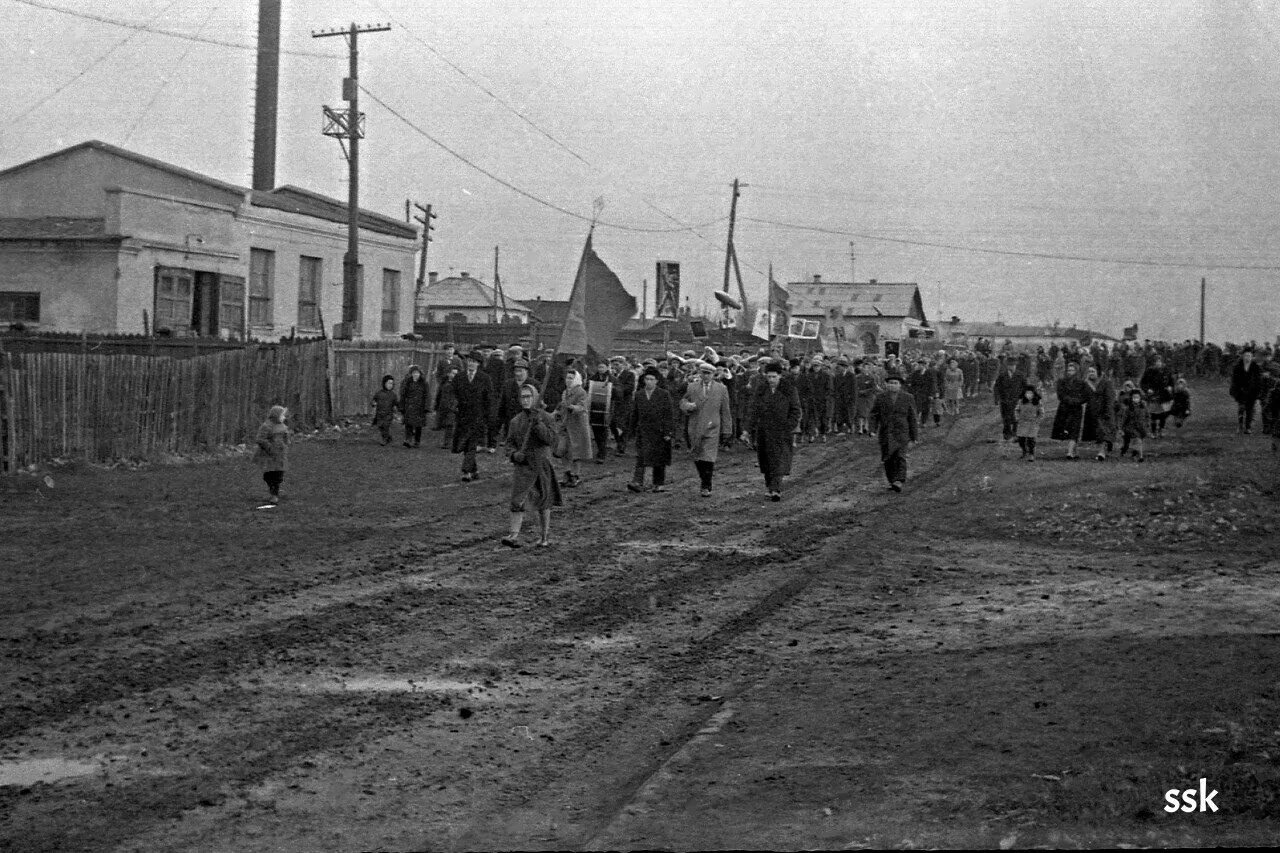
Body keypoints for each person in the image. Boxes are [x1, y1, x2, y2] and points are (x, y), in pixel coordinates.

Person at [501, 384, 562, 548]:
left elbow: (551, 440)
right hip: (523, 466)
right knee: (517, 500)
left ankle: (544, 536)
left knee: (544, 503)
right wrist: (514, 455)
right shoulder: (515, 421)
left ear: (535, 398)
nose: (526, 400)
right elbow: (509, 444)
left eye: (529, 396)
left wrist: (538, 424)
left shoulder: (546, 418)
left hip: (541, 466)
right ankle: (513, 535)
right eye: (523, 397)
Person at [744, 360, 802, 501]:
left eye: (774, 377)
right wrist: (747, 429)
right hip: (764, 429)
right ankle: (770, 486)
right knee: (765, 460)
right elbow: (753, 409)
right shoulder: (761, 389)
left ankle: (776, 489)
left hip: (782, 430)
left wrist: (788, 426)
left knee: (778, 459)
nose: (771, 380)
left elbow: (795, 410)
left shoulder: (789, 389)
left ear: (780, 376)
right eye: (768, 377)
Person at [680, 359, 734, 496]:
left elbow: (725, 410)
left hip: (712, 426)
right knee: (697, 455)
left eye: (709, 373)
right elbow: (683, 401)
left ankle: (706, 484)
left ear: (713, 374)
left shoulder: (721, 389)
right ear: (700, 373)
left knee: (709, 456)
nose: (706, 376)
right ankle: (704, 478)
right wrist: (687, 406)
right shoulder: (692, 387)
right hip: (695, 425)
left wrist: (727, 430)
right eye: (703, 373)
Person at [626, 365, 674, 493]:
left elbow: (669, 414)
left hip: (659, 431)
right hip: (643, 430)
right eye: (647, 379)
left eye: (652, 379)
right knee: (641, 456)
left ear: (657, 381)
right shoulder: (639, 395)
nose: (649, 381)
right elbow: (634, 414)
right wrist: (630, 431)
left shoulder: (664, 394)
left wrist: (668, 431)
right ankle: (637, 481)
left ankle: (658, 483)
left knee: (659, 457)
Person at [869, 371, 919, 492]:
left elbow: (912, 418)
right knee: (887, 458)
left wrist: (914, 436)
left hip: (902, 432)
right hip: (886, 432)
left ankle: (899, 480)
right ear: (886, 384)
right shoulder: (880, 398)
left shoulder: (908, 397)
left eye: (895, 383)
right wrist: (872, 430)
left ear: (900, 385)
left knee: (900, 456)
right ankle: (892, 481)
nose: (892, 385)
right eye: (890, 383)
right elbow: (874, 415)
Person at [452, 349, 494, 482]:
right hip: (462, 417)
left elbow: (489, 399)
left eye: (474, 362)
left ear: (478, 364)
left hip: (478, 417)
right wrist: (454, 407)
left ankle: (466, 471)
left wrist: (488, 417)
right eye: (469, 361)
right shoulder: (459, 377)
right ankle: (474, 470)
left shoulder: (484, 378)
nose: (471, 364)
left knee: (471, 444)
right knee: (465, 444)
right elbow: (453, 394)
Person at [554, 367, 593, 488]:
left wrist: (571, 406)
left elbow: (582, 407)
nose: (568, 380)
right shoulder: (565, 392)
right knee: (563, 450)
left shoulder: (581, 392)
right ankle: (566, 474)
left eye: (571, 378)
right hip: (565, 425)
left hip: (577, 426)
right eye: (567, 378)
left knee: (576, 452)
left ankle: (575, 475)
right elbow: (561, 407)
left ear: (576, 379)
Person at [1050, 362, 1090, 459]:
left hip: (1076, 409)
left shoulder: (1082, 383)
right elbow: (1060, 395)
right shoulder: (1062, 382)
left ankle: (1070, 452)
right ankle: (1073, 451)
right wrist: (1069, 400)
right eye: (1068, 370)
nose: (1070, 372)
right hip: (1064, 409)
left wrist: (1077, 401)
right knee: (1066, 429)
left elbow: (1086, 396)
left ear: (1076, 371)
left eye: (1072, 370)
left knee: (1075, 430)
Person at [253, 404, 290, 505]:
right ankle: (273, 489)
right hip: (268, 456)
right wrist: (269, 447)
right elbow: (260, 439)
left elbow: (286, 437)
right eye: (282, 415)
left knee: (278, 475)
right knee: (269, 475)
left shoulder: (283, 426)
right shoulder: (267, 426)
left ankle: (275, 494)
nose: (283, 417)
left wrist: (285, 444)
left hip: (280, 456)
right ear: (275, 415)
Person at [1082, 366, 1117, 461]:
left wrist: (1108, 411)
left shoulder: (1106, 382)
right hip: (1093, 412)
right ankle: (1106, 446)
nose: (1091, 373)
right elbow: (1084, 397)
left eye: (1093, 371)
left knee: (1102, 432)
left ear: (1098, 372)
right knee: (1099, 433)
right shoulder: (1086, 384)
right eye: (1089, 371)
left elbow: (1110, 398)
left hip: (1104, 411)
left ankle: (1101, 453)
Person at [1230, 347, 1265, 434]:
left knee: (1250, 410)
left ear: (1252, 357)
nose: (1247, 358)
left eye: (1249, 356)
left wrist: (1258, 392)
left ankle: (1248, 427)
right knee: (1241, 408)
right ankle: (1240, 425)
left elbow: (1258, 381)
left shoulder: (1255, 367)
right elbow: (1234, 380)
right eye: (1246, 356)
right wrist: (1236, 391)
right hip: (1241, 392)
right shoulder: (1238, 367)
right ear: (1242, 356)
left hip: (1252, 393)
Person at [1139, 354, 1175, 438]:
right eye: (1156, 361)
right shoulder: (1149, 371)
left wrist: (1170, 387)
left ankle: (1161, 430)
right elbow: (1142, 383)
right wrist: (1147, 389)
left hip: (1164, 395)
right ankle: (1153, 431)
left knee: (1163, 414)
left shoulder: (1166, 370)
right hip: (1153, 396)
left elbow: (1171, 381)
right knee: (1154, 415)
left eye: (1159, 361)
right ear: (1154, 363)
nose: (1158, 363)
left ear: (1162, 362)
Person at [993, 358, 1023, 441]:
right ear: (1007, 366)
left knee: (1015, 417)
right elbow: (997, 387)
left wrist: (1024, 398)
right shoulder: (1002, 375)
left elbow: (1025, 387)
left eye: (1013, 365)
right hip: (1004, 400)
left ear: (1016, 366)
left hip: (1016, 400)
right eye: (1010, 365)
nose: (1012, 367)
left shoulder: (1020, 375)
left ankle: (1016, 433)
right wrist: (996, 398)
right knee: (1006, 417)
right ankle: (1007, 433)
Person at [399, 365, 430, 448]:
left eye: (417, 373)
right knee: (408, 424)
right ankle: (407, 440)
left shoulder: (424, 383)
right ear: (411, 374)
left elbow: (427, 396)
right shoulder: (407, 382)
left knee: (418, 425)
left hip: (420, 407)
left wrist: (426, 407)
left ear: (420, 374)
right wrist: (402, 406)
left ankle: (417, 441)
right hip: (409, 406)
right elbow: (403, 395)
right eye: (414, 373)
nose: (415, 374)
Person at [1118, 387, 1149, 461]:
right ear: (1131, 398)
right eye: (1134, 397)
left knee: (1138, 441)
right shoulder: (1128, 409)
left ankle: (1137, 455)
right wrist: (1121, 428)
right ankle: (1139, 456)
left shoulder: (1143, 407)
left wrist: (1147, 424)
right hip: (1130, 428)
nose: (1136, 399)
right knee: (1134, 441)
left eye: (1137, 397)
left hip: (1141, 428)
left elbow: (1147, 416)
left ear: (1140, 398)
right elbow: (1124, 419)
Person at [1014, 385, 1043, 461]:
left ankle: (1031, 454)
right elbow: (1017, 410)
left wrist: (1037, 420)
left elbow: (1041, 413)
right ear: (1024, 394)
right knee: (1021, 439)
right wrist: (1017, 418)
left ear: (1034, 394)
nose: (1029, 395)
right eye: (1027, 393)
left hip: (1033, 423)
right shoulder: (1021, 401)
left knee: (1031, 439)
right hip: (1022, 422)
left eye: (1031, 393)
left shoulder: (1037, 402)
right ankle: (1024, 451)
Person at [435, 362, 460, 450]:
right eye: (453, 373)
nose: (454, 375)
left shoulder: (458, 384)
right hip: (445, 406)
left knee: (450, 425)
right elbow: (440, 395)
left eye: (456, 374)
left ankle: (448, 443)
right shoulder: (444, 383)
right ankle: (448, 442)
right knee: (447, 424)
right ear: (449, 373)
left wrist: (456, 406)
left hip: (454, 407)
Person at [371, 374, 398, 446]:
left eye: (392, 383)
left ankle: (385, 440)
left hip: (388, 414)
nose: (390, 385)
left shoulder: (393, 395)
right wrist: (373, 403)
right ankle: (388, 437)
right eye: (389, 383)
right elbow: (374, 400)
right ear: (384, 383)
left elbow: (396, 403)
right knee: (381, 427)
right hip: (379, 414)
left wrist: (397, 408)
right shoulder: (379, 393)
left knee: (386, 426)